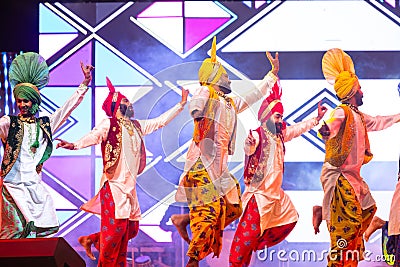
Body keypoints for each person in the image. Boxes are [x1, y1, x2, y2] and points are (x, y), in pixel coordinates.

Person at [56, 77, 188, 267]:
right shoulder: (108, 124)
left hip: (129, 187)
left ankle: (92, 239)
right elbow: (93, 136)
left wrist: (181, 104)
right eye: (126, 101)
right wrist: (75, 145)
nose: (131, 103)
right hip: (113, 185)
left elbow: (160, 122)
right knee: (116, 232)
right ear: (117, 105)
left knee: (130, 230)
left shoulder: (136, 126)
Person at [172, 36, 280, 267]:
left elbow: (252, 96)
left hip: (219, 168)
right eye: (224, 74)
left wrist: (271, 75)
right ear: (213, 77)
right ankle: (192, 261)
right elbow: (197, 102)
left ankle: (183, 219)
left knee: (233, 207)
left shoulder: (228, 103)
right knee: (209, 214)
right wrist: (198, 110)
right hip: (201, 164)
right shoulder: (207, 93)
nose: (228, 78)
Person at [315, 48, 400, 267]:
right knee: (348, 227)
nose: (363, 92)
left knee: (368, 210)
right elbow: (331, 125)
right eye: (360, 88)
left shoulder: (359, 117)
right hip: (340, 178)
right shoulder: (342, 111)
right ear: (352, 91)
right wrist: (325, 129)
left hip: (354, 179)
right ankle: (337, 257)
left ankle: (345, 251)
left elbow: (379, 121)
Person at [228, 80, 327, 267]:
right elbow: (249, 148)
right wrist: (249, 144)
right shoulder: (258, 134)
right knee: (244, 240)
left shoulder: (280, 135)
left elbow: (297, 129)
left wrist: (316, 119)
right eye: (277, 117)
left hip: (276, 196)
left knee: (290, 217)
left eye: (281, 117)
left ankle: (256, 244)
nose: (281, 121)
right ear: (266, 116)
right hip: (259, 196)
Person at [0, 52, 93, 239]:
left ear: (34, 102)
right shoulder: (9, 122)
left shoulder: (45, 124)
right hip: (12, 185)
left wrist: (84, 84)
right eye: (19, 101)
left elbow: (67, 109)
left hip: (34, 183)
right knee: (16, 231)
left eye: (26, 100)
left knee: (40, 225)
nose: (22, 105)